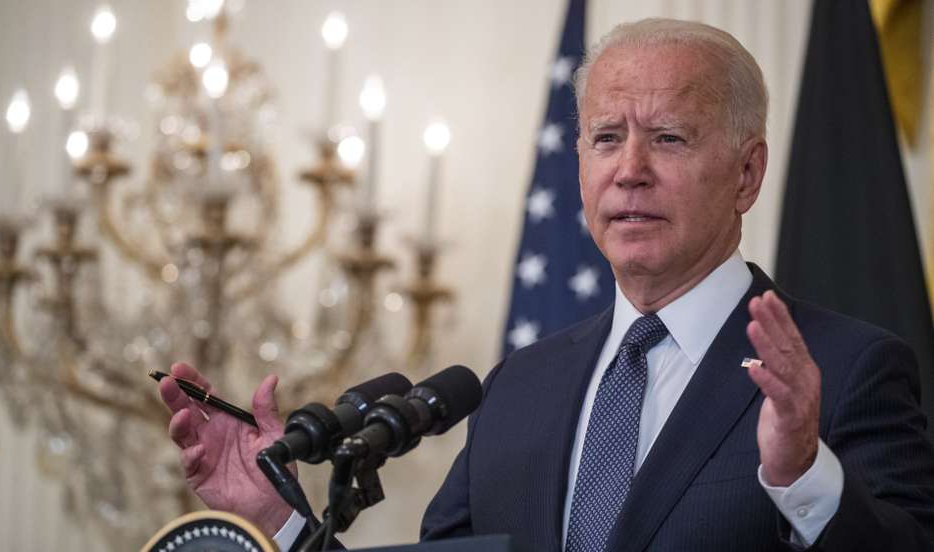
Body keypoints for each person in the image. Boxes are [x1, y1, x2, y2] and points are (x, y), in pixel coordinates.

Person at [160, 18, 934, 551]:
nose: (629, 169)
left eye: (668, 138)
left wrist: (803, 475)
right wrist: (281, 524)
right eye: (606, 138)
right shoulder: (517, 388)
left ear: (747, 172)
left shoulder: (848, 371)